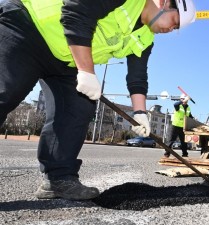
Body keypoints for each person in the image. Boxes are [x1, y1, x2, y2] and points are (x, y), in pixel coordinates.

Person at [0, 0, 196, 200]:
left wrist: (140, 114)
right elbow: (75, 12)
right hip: (27, 27)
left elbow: (137, 78)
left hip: (66, 59)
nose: (172, 29)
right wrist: (86, 71)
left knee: (78, 108)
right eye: (175, 21)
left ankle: (58, 180)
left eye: (177, 28)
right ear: (163, 2)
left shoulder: (145, 38)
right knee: (5, 91)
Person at [164, 94, 193, 158]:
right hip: (175, 126)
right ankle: (167, 153)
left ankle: (185, 154)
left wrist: (193, 119)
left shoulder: (188, 107)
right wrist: (183, 101)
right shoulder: (178, 106)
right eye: (183, 99)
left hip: (183, 127)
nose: (185, 101)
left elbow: (190, 116)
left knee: (184, 141)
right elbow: (175, 104)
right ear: (181, 99)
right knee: (171, 140)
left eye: (186, 100)